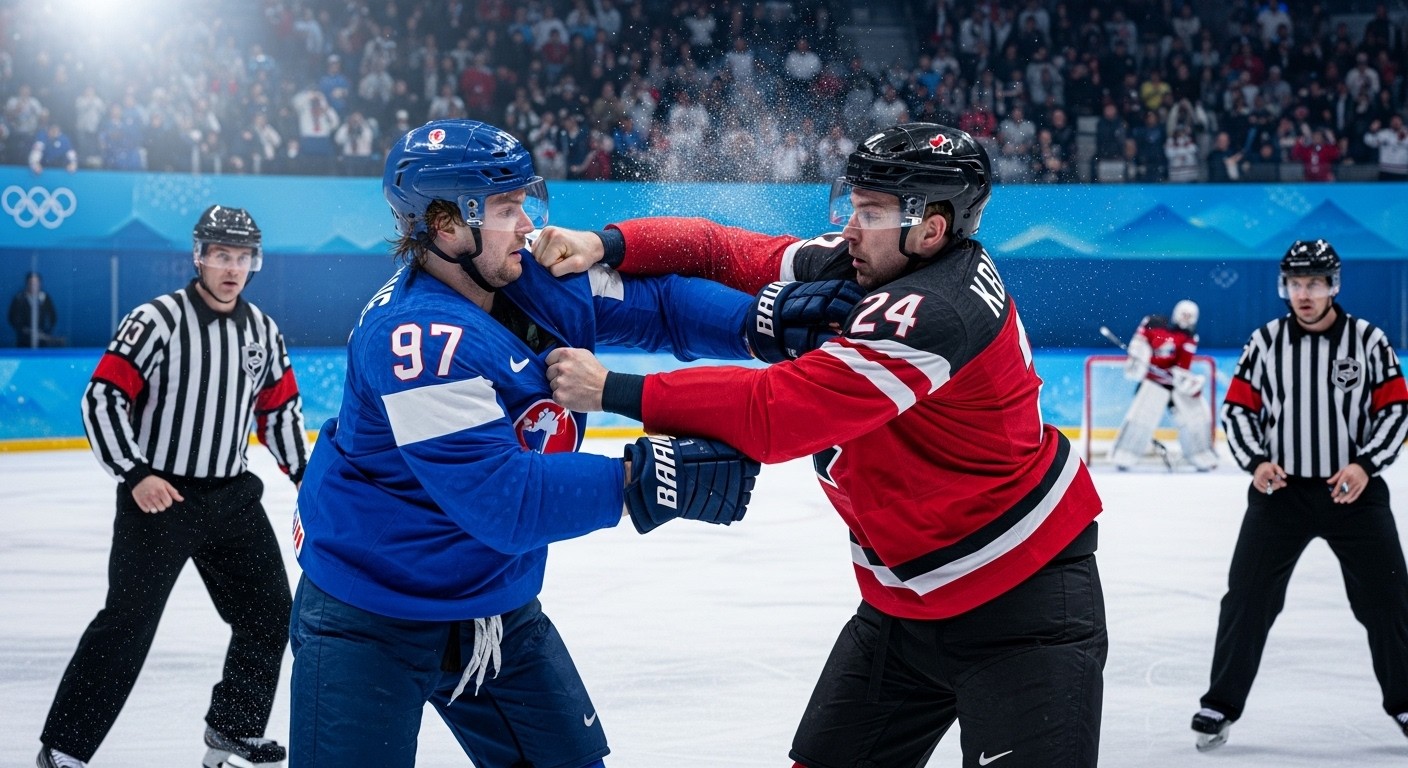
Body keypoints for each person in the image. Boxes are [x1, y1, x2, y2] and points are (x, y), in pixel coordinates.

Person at [536, 123, 1108, 767]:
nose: (850, 228)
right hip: (905, 603)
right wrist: (603, 242)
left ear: (932, 228)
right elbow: (719, 250)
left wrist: (613, 390)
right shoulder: (870, 261)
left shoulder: (932, 312)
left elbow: (777, 413)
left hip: (1020, 608)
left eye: (870, 212)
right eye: (853, 206)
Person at [288, 119, 784, 767]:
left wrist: (772, 327)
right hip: (370, 617)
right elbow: (504, 501)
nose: (527, 224)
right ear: (445, 226)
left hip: (496, 607)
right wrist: (648, 479)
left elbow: (663, 308)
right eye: (504, 208)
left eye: (523, 202)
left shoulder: (530, 276)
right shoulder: (413, 337)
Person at [37, 206, 309, 768]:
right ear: (200, 256)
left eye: (242, 257)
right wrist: (135, 473)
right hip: (160, 498)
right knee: (127, 623)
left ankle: (233, 729)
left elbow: (278, 411)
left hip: (232, 497)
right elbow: (103, 397)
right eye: (221, 255)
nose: (232, 269)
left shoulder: (262, 331)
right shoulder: (157, 320)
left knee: (268, 613)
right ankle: (63, 750)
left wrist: (307, 476)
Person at [1191, 239, 1408, 751]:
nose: (1304, 294)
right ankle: (1219, 704)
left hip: (1355, 492)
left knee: (1389, 602)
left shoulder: (1369, 342)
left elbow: (1395, 412)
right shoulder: (1265, 342)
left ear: (1333, 286)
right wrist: (1256, 462)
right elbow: (1239, 410)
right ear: (1283, 286)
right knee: (1246, 599)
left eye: (1313, 283)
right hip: (1280, 493)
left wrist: (1364, 465)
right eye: (1295, 283)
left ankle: (1405, 701)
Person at [1109, 299, 1218, 471]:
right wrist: (1137, 359)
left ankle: (1201, 455)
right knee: (1141, 419)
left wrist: (1184, 380)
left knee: (1196, 417)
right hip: (1153, 383)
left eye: (1190, 317)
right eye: (1184, 314)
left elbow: (1182, 367)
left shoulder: (1189, 337)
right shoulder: (1154, 323)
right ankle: (1124, 455)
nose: (1186, 319)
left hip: (1172, 384)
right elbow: (1139, 343)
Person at [9, 271, 61, 347]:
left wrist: (45, 332)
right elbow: (12, 317)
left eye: (36, 283)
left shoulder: (45, 298)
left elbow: (53, 317)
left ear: (40, 283)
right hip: (24, 340)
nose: (33, 285)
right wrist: (23, 330)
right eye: (31, 283)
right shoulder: (20, 298)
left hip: (42, 339)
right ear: (27, 284)